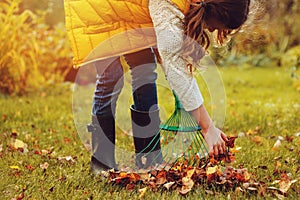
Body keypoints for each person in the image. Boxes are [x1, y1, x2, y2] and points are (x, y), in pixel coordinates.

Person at [64, 0, 250, 172]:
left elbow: (171, 56)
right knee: (111, 77)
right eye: (213, 26)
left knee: (145, 71)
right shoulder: (168, 2)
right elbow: (173, 62)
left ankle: (148, 157)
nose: (209, 29)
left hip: (129, 11)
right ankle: (101, 162)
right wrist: (207, 127)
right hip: (98, 8)